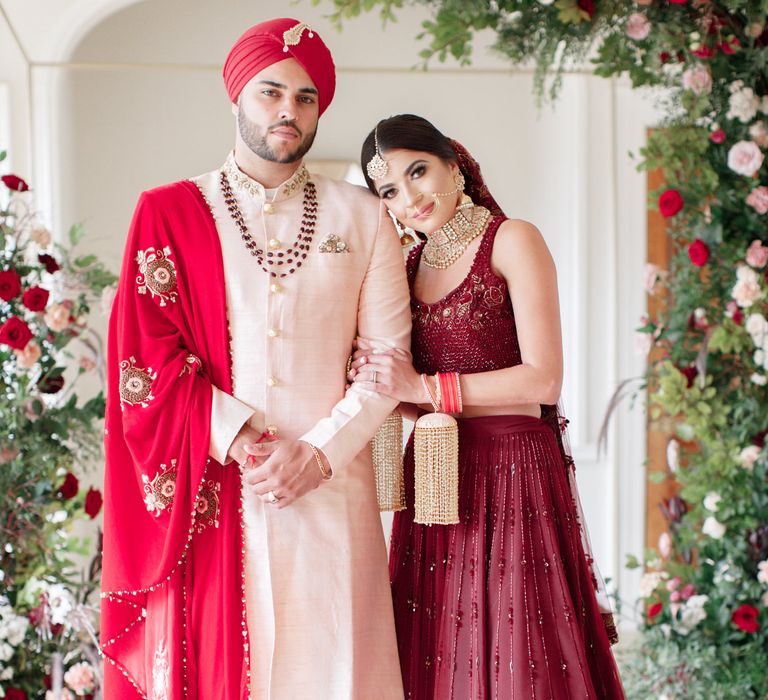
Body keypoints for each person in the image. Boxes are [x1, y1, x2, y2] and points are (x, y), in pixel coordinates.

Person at [100, 19, 410, 699]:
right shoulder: (171, 213)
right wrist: (242, 441)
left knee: (337, 674)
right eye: (271, 92)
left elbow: (389, 362)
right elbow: (143, 357)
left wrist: (319, 453)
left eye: (305, 99)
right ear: (236, 95)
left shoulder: (363, 217)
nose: (288, 112)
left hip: (333, 488)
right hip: (222, 487)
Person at [351, 114, 626, 698]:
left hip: (514, 473)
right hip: (437, 483)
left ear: (454, 163)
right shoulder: (403, 271)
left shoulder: (512, 239)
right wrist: (381, 384)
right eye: (390, 191)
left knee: (518, 649)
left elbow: (544, 379)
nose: (410, 197)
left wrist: (422, 389)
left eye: (418, 171)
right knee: (440, 654)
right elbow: (412, 396)